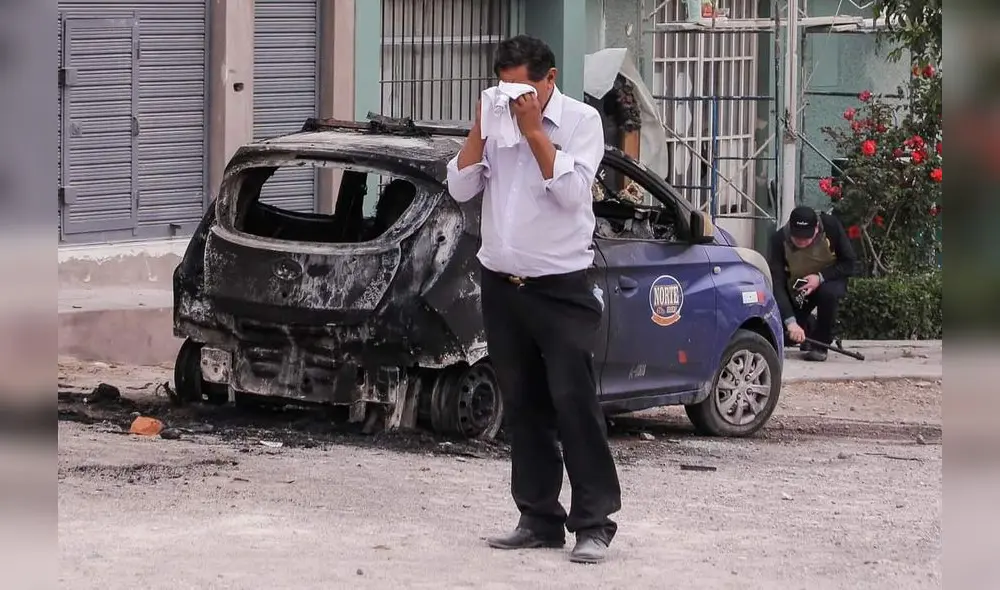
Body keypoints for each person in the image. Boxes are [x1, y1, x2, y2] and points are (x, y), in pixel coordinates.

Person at [445, 34, 622, 565]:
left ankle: (594, 522)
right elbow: (459, 189)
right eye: (505, 88)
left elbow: (572, 194)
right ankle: (538, 517)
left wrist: (532, 132)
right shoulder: (496, 121)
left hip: (562, 288)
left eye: (523, 88)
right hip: (503, 285)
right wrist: (483, 126)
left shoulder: (582, 123)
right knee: (524, 406)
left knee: (574, 403)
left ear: (549, 81)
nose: (514, 99)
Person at [768, 205, 857, 361]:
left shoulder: (831, 226)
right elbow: (777, 283)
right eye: (798, 237)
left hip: (829, 279)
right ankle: (808, 326)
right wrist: (791, 322)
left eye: (806, 237)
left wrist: (820, 277)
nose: (802, 241)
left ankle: (820, 345)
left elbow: (849, 263)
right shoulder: (778, 240)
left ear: (816, 228)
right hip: (799, 287)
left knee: (828, 293)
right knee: (786, 336)